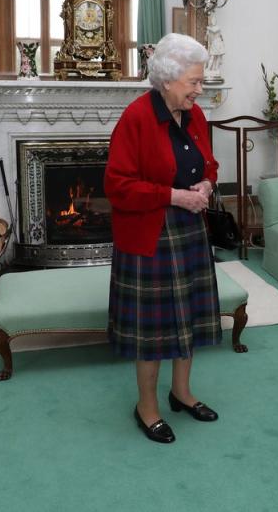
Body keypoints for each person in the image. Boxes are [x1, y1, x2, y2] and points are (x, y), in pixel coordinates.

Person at [104, 33, 222, 444]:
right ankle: (147, 406)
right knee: (153, 332)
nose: (199, 89)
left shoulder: (196, 116)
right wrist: (174, 196)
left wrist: (207, 183)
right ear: (168, 80)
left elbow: (209, 162)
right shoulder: (136, 118)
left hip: (189, 228)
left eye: (199, 80)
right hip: (150, 232)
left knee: (187, 317)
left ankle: (182, 392)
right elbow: (117, 186)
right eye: (193, 81)